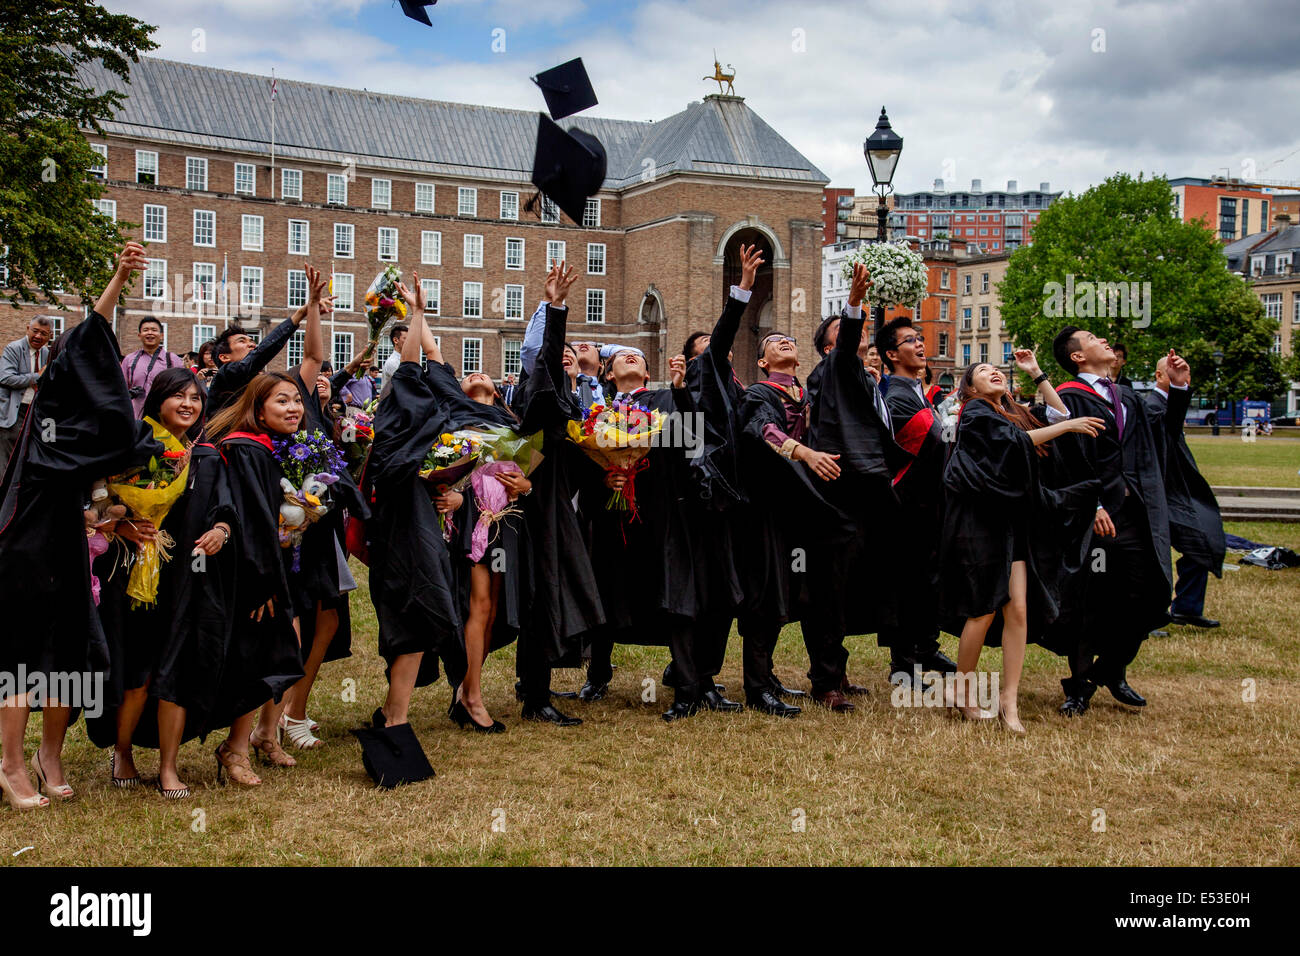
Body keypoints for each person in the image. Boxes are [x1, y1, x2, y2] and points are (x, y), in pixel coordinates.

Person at [0, 241, 162, 810]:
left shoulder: (81, 429)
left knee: (68, 650)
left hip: (66, 548)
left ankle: (50, 754)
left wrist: (116, 519)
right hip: (25, 548)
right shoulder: (48, 430)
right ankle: (12, 762)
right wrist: (115, 280)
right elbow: (86, 354)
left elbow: (114, 447)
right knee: (23, 654)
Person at [89, 368, 236, 797]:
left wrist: (222, 531)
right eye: (178, 396)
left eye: (195, 397)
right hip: (130, 569)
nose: (188, 404)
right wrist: (120, 525)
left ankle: (169, 767)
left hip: (184, 574)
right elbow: (98, 496)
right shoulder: (136, 442)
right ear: (158, 399)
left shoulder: (206, 455)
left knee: (176, 666)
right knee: (137, 671)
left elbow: (226, 505)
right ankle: (122, 750)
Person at [938, 359, 1103, 730]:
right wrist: (1070, 427)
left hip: (1012, 522)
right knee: (983, 609)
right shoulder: (976, 412)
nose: (992, 371)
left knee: (1019, 610)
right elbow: (1014, 444)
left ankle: (1008, 699)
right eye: (982, 371)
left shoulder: (1010, 411)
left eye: (996, 367)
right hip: (982, 522)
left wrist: (1037, 374)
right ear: (970, 388)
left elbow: (1061, 414)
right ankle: (961, 689)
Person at [399, 274, 531, 733]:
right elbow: (433, 355)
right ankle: (471, 696)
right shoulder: (451, 407)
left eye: (484, 375)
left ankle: (466, 687)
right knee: (474, 602)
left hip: (502, 520)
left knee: (493, 605)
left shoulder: (508, 424)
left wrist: (523, 486)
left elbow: (526, 474)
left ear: (496, 392)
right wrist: (419, 309)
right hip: (462, 513)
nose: (475, 374)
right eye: (468, 373)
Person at [1047, 327, 1190, 716]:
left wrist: (1178, 389)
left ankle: (1109, 669)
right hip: (1095, 516)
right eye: (1093, 338)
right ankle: (1078, 686)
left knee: (1154, 594)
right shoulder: (1069, 396)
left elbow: (1164, 434)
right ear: (1078, 357)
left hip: (1134, 514)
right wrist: (1092, 506)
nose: (1104, 341)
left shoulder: (1125, 395)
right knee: (1090, 599)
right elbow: (1068, 458)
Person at [579, 343, 705, 721]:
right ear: (608, 374)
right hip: (613, 517)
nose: (630, 357)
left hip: (661, 512)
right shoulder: (597, 414)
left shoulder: (667, 397)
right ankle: (597, 674)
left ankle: (687, 688)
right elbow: (584, 463)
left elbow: (693, 442)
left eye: (639, 357)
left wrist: (681, 390)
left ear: (649, 374)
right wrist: (608, 475)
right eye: (621, 357)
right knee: (607, 588)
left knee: (671, 594)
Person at [363, 293, 464, 751]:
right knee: (412, 615)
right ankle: (394, 716)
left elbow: (435, 368)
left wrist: (421, 314)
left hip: (421, 526)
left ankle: (394, 714)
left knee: (421, 617)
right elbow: (411, 372)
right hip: (402, 532)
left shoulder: (421, 424)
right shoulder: (393, 433)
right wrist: (415, 316)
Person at [204, 372, 311, 785]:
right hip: (252, 571)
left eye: (296, 400)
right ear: (259, 410)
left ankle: (260, 736)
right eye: (282, 401)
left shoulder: (273, 448)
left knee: (281, 650)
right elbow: (246, 518)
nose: (293, 408)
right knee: (253, 658)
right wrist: (261, 579)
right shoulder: (244, 448)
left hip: (274, 564)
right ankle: (235, 746)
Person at [734, 327, 847, 716]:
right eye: (772, 341)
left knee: (812, 593)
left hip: (811, 507)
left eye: (790, 340)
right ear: (763, 362)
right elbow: (762, 430)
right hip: (770, 507)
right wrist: (803, 453)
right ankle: (758, 687)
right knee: (768, 593)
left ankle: (825, 679)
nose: (784, 341)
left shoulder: (812, 396)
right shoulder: (759, 393)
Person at [803, 264, 902, 710]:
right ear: (829, 347)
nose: (855, 333)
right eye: (844, 330)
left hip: (870, 490)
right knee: (830, 587)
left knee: (853, 587)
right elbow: (846, 350)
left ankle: (837, 672)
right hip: (840, 490)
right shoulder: (832, 371)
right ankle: (825, 682)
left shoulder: (866, 378)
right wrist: (855, 301)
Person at [511, 264, 601, 726]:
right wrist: (556, 307)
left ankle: (536, 684)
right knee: (541, 592)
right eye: (556, 351)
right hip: (534, 503)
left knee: (555, 590)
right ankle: (535, 695)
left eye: (571, 353)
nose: (564, 356)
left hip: (560, 501)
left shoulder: (572, 401)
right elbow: (545, 361)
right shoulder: (537, 389)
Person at [875, 316, 958, 685]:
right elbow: (935, 440)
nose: (920, 344)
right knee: (908, 582)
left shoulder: (917, 392)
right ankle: (904, 664)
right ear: (891, 354)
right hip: (908, 506)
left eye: (920, 338)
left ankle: (925, 646)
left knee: (928, 580)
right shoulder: (895, 397)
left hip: (931, 503)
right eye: (910, 340)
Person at [1145, 355, 1225, 629]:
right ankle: (1151, 614)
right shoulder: (1151, 406)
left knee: (1201, 541)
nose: (1184, 379)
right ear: (1159, 376)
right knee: (1155, 554)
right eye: (1174, 373)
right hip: (1159, 491)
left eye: (1185, 374)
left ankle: (1188, 607)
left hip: (1179, 491)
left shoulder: (1166, 405)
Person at [0, 316, 53, 467]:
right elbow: (6, 378)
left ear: (50, 336)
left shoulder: (46, 354)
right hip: (14, 413)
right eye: (35, 331)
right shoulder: (13, 348)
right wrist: (37, 376)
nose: (38, 336)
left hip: (36, 413)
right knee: (7, 462)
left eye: (43, 333)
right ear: (27, 329)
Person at [121, 316, 184, 417]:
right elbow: (122, 389)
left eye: (154, 330)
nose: (150, 333)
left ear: (162, 335)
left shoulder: (172, 359)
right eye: (145, 330)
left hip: (164, 417)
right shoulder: (129, 360)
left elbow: (181, 388)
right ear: (139, 335)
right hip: (135, 417)